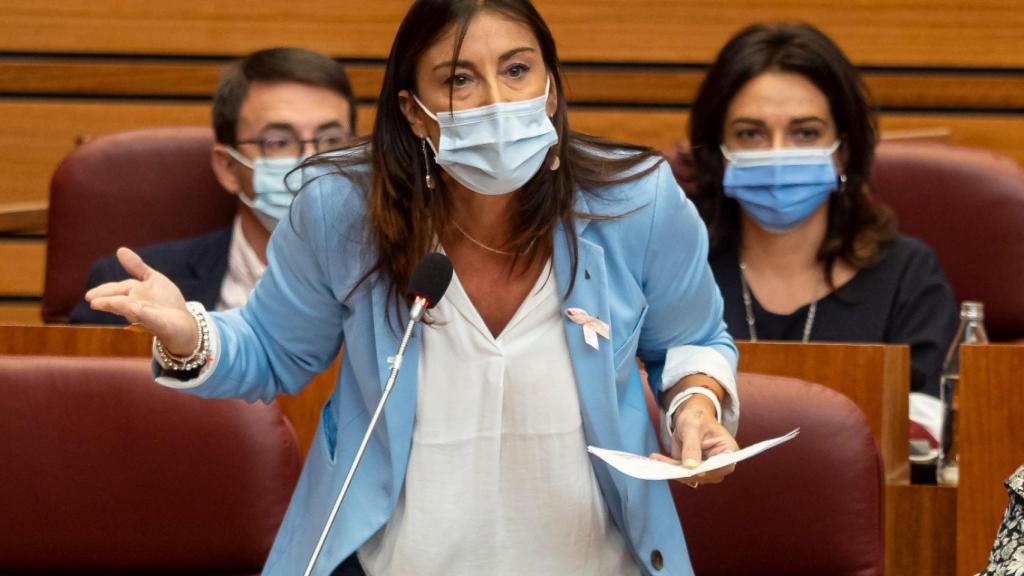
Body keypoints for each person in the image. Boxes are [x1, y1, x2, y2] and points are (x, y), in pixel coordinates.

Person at [86, 1, 739, 575]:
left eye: (517, 70)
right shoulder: (342, 210)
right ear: (415, 112)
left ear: (550, 87)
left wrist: (697, 407)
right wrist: (189, 332)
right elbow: (270, 349)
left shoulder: (635, 202)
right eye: (460, 79)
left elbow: (692, 338)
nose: (496, 100)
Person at [677, 22, 957, 443]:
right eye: (750, 134)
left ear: (842, 152)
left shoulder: (907, 275)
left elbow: (924, 446)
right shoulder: (678, 269)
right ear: (720, 152)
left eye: (805, 133)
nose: (778, 153)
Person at [70, 47, 356, 324]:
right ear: (228, 167)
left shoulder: (390, 281)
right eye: (279, 143)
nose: (309, 162)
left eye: (331, 141)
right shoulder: (131, 289)